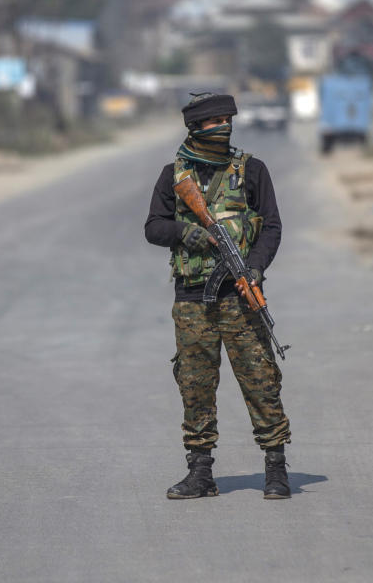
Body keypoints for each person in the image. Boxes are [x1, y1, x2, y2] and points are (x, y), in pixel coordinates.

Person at [144, 92, 291, 500]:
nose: (223, 127)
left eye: (228, 119)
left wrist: (256, 268)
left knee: (260, 379)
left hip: (240, 297)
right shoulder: (173, 176)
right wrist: (186, 232)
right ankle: (200, 471)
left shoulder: (252, 171)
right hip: (192, 299)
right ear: (196, 128)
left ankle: (276, 467)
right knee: (195, 385)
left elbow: (273, 227)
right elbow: (154, 227)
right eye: (214, 122)